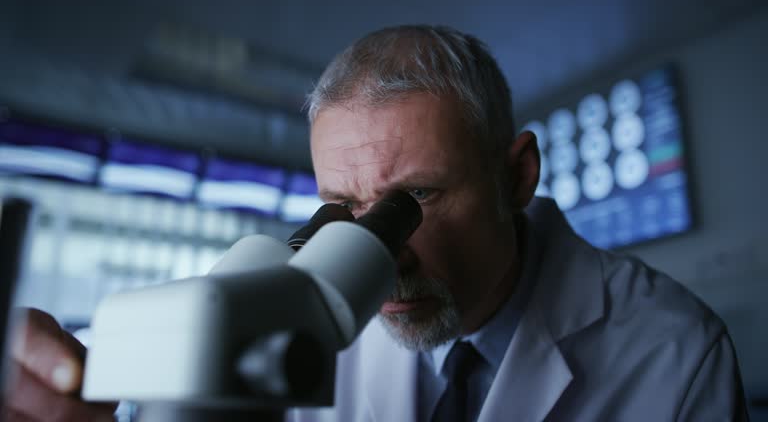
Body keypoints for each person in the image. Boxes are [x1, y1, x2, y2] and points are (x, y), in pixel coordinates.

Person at [3, 25, 747, 422]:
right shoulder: (307, 317)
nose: (382, 257)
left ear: (517, 176)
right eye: (343, 208)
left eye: (414, 199)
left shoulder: (674, 351)